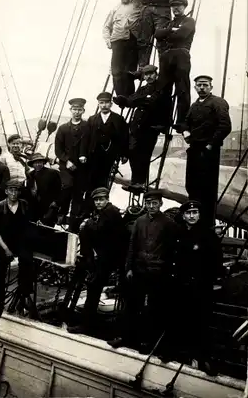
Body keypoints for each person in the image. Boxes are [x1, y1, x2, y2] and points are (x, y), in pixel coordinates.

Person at [108, 189, 177, 350]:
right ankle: (125, 337)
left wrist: (167, 271)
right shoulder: (139, 221)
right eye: (148, 203)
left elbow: (172, 250)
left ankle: (147, 342)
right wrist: (129, 268)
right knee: (132, 305)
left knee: (153, 308)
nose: (151, 206)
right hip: (139, 270)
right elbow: (132, 246)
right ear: (145, 204)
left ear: (161, 204)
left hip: (157, 272)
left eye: (155, 203)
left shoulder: (168, 224)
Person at [163, 200, 224, 374]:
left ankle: (203, 358)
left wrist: (211, 281)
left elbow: (216, 262)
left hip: (199, 287)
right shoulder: (178, 233)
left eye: (195, 212)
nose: (192, 216)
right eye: (188, 213)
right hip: (179, 285)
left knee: (200, 323)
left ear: (199, 214)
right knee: (176, 320)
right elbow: (171, 258)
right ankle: (173, 352)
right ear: (183, 215)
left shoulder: (208, 236)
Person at [68, 187, 127, 335]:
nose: (99, 202)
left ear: (107, 199)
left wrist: (86, 224)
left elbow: (100, 229)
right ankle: (88, 323)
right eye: (96, 200)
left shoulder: (110, 213)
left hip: (105, 260)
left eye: (101, 199)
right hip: (102, 259)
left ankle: (86, 326)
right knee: (92, 291)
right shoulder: (105, 212)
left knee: (93, 292)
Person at [183, 75, 232, 227]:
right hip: (194, 150)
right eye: (199, 85)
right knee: (191, 186)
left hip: (208, 151)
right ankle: (194, 223)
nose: (202, 88)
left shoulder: (218, 102)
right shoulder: (195, 105)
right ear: (195, 87)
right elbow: (186, 122)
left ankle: (206, 225)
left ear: (211, 86)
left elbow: (225, 126)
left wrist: (210, 145)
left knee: (207, 189)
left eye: (205, 85)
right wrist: (185, 132)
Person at [113, 64, 172, 190]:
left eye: (151, 74)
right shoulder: (143, 89)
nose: (148, 76)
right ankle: (136, 182)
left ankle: (139, 183)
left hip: (150, 128)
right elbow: (132, 99)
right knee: (132, 153)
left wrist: (134, 101)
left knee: (143, 156)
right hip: (136, 127)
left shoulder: (162, 89)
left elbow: (151, 101)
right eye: (146, 74)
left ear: (156, 74)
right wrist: (123, 101)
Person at [0, 179, 34, 325]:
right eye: (11, 190)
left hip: (20, 241)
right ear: (6, 191)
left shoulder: (24, 205)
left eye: (16, 190)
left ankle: (25, 296)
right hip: (3, 243)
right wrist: (6, 249)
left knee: (27, 262)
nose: (14, 193)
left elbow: (29, 225)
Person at [155, 0, 195, 133]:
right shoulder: (169, 23)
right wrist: (171, 31)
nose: (176, 8)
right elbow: (157, 34)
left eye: (179, 6)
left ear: (184, 7)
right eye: (173, 6)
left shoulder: (189, 21)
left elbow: (181, 35)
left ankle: (182, 121)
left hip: (181, 55)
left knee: (182, 88)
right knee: (163, 89)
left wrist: (167, 34)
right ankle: (164, 122)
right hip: (166, 56)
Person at [84, 92, 129, 194]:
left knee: (104, 181)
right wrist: (84, 154)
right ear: (98, 104)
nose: (104, 105)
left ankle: (101, 205)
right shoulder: (92, 120)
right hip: (93, 155)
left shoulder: (119, 119)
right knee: (90, 180)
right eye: (101, 103)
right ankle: (87, 205)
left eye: (107, 103)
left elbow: (125, 137)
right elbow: (86, 138)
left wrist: (124, 154)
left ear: (111, 104)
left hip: (110, 155)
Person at [54, 98, 88, 233]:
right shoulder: (63, 129)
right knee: (67, 186)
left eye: (79, 109)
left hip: (82, 167)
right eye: (74, 109)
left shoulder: (87, 127)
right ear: (70, 110)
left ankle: (73, 224)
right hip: (66, 166)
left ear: (83, 111)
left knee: (78, 195)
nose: (77, 112)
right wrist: (67, 161)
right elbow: (58, 149)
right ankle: (61, 211)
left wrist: (85, 157)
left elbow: (91, 144)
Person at [103, 0, 139, 97]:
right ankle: (120, 97)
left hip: (132, 41)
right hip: (117, 41)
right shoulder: (114, 9)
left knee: (129, 71)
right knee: (116, 71)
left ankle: (130, 97)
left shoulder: (137, 6)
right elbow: (106, 27)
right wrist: (108, 40)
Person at [26, 152, 61, 226]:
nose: (38, 164)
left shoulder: (53, 173)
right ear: (32, 164)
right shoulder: (30, 175)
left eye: (40, 162)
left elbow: (60, 189)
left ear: (43, 162)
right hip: (35, 207)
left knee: (47, 227)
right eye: (35, 163)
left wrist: (56, 202)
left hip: (49, 206)